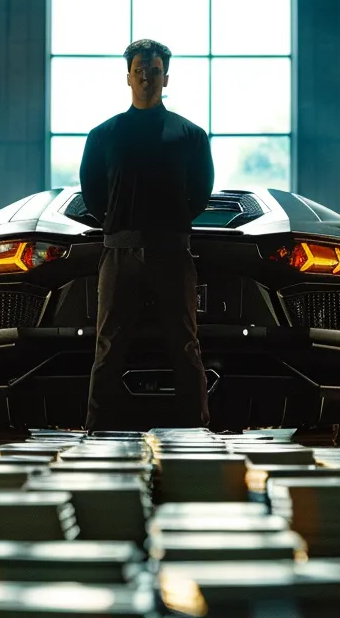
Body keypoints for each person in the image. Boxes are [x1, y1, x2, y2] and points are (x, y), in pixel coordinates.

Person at [78, 39, 215, 432]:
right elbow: (93, 195)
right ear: (128, 76)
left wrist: (167, 225)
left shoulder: (191, 135)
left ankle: (196, 430)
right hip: (120, 253)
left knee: (185, 345)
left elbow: (200, 193)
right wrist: (123, 227)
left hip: (173, 252)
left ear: (165, 77)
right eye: (139, 69)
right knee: (108, 347)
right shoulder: (103, 136)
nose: (146, 76)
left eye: (154, 70)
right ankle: (98, 431)